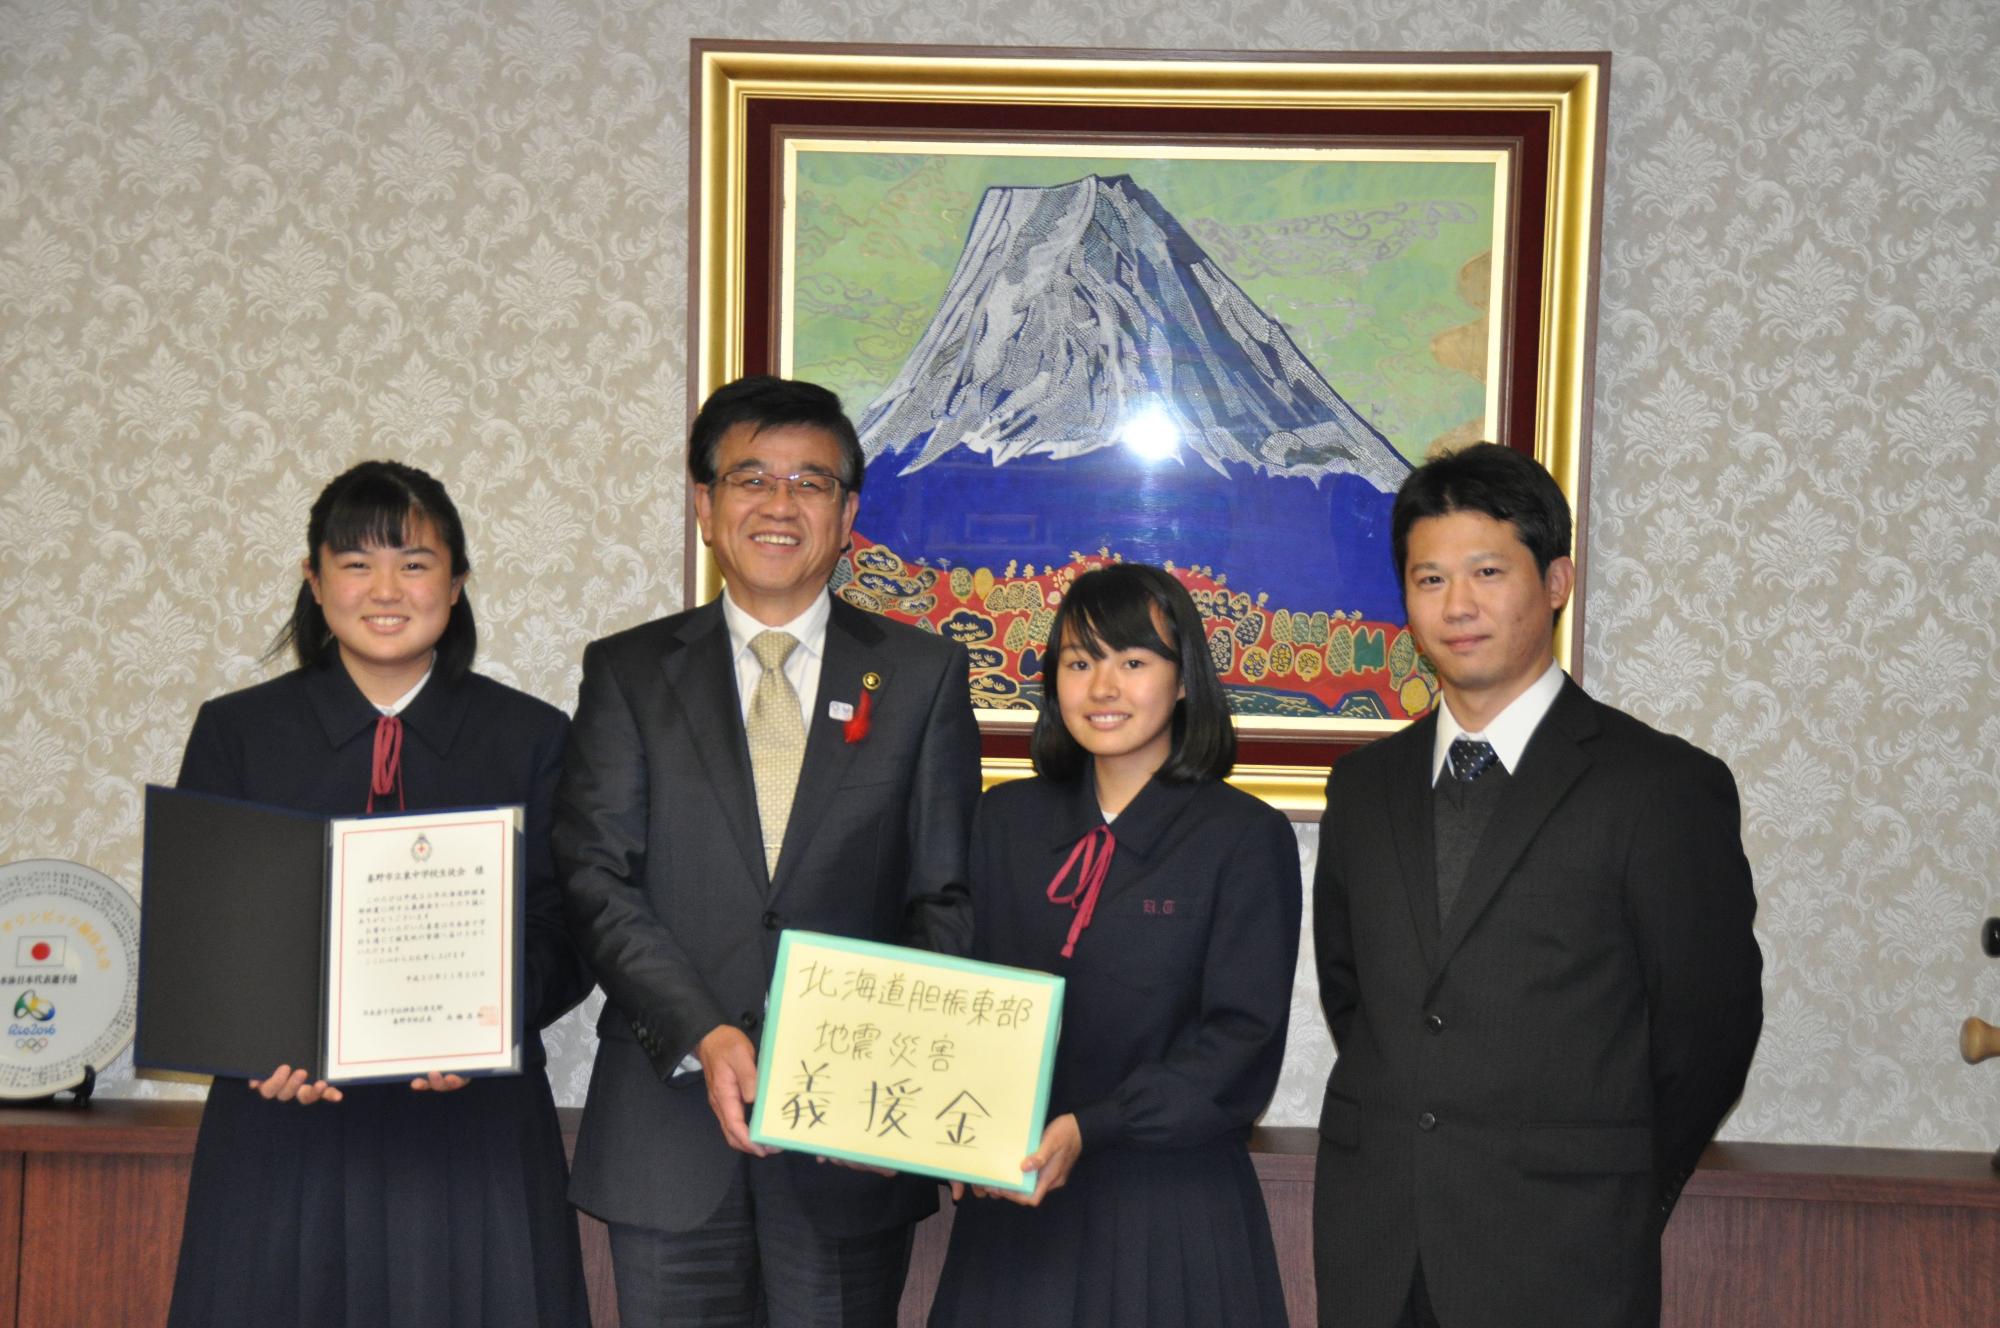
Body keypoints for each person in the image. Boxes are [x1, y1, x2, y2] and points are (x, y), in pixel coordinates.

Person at [556, 375, 981, 1326]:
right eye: (752, 479)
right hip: (667, 1132)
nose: (780, 505)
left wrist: (871, 1070)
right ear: (705, 506)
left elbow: (945, 896)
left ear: (847, 514)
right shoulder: (627, 673)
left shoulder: (920, 676)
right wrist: (705, 1032)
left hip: (849, 1143)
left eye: (811, 483)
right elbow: (597, 880)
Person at [1311, 442, 1764, 1327]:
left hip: (1566, 1250)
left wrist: (1617, 1187)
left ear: (1555, 581)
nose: (1458, 605)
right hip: (1378, 1247)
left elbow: (1708, 1030)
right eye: (1429, 579)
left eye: (1487, 571)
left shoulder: (1659, 786)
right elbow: (1354, 995)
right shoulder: (1364, 788)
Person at [166, 460, 593, 1328]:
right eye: (357, 564)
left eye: (416, 562)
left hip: (471, 1127)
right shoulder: (237, 731)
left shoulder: (533, 736)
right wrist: (256, 1048)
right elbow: (206, 934)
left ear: (459, 582)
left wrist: (489, 1026)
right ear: (315, 582)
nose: (386, 588)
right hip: (282, 1125)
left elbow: (569, 928)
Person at [927, 562, 1301, 1328]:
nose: (1103, 687)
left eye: (1133, 662)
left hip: (1171, 1214)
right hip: (1018, 1208)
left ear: (1183, 679)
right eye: (1079, 662)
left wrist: (1089, 1128)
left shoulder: (1244, 838)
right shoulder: (1006, 821)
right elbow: (961, 992)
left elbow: (1240, 1044)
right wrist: (949, 1126)